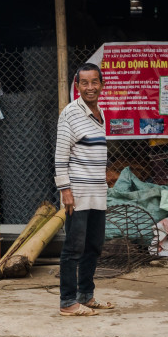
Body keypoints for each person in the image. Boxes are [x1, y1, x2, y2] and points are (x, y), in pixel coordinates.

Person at [54, 63, 115, 317]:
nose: (90, 88)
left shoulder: (101, 114)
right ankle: (67, 302)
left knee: (94, 246)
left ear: (102, 84)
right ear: (77, 86)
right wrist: (65, 190)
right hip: (77, 193)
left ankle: (86, 296)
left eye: (94, 82)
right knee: (73, 248)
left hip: (97, 193)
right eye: (85, 83)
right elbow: (60, 156)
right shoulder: (70, 114)